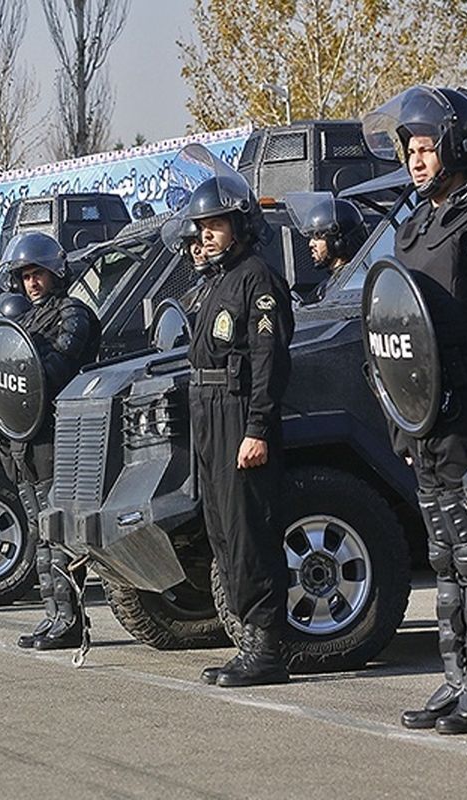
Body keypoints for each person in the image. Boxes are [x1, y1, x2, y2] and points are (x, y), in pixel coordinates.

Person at [362, 86, 467, 734]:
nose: (415, 159)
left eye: (427, 147)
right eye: (410, 149)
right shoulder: (413, 225)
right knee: (441, 553)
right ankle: (456, 679)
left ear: (455, 145)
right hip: (424, 415)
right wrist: (401, 420)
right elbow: (395, 321)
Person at [185, 160, 295, 688]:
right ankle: (247, 640)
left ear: (240, 224)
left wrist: (257, 428)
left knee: (250, 530)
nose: (206, 235)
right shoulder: (217, 280)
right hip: (207, 410)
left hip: (238, 409)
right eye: (202, 227)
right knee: (223, 529)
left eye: (216, 225)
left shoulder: (257, 278)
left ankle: (267, 648)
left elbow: (269, 360)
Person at [0, 232, 101, 650]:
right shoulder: (26, 319)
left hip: (56, 434)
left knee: (58, 531)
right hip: (24, 437)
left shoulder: (73, 314)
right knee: (39, 534)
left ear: (55, 273)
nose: (31, 283)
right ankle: (52, 613)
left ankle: (69, 620)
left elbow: (54, 368)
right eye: (25, 276)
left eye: (37, 274)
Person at [285, 192, 368, 305]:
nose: (311, 244)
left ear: (338, 242)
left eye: (318, 237)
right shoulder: (328, 286)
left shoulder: (355, 285)